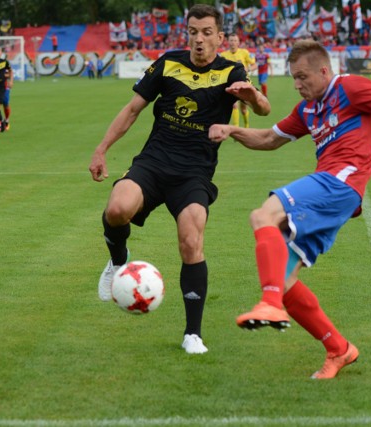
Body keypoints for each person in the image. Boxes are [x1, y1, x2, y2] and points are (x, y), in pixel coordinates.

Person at [208, 40, 371, 379]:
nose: (297, 84)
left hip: (340, 183)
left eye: (303, 76)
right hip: (336, 194)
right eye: (293, 78)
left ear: (324, 70)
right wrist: (232, 130)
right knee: (285, 278)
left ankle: (269, 304)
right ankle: (339, 349)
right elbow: (269, 139)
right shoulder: (307, 110)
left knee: (263, 216)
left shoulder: (349, 87)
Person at [88, 4, 270, 355]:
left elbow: (263, 109)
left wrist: (253, 97)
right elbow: (132, 110)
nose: (198, 40)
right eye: (192, 32)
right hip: (154, 162)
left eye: (206, 33)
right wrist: (102, 149)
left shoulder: (232, 70)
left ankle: (192, 334)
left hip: (194, 172)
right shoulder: (168, 62)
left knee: (191, 240)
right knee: (116, 209)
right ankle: (118, 260)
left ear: (219, 37)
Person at [221, 33, 257, 128]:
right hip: (231, 84)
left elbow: (254, 65)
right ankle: (236, 128)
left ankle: (246, 125)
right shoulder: (223, 55)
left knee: (243, 109)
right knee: (234, 105)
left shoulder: (244, 52)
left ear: (238, 42)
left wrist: (248, 69)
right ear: (228, 42)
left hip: (243, 83)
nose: (233, 43)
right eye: (231, 40)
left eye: (235, 40)